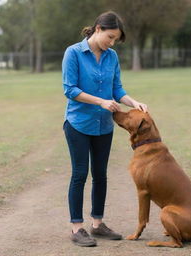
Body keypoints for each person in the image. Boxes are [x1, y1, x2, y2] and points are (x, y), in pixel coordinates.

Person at [62, 11, 147, 247]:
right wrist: (100, 101)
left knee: (100, 175)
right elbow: (70, 89)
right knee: (80, 174)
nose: (111, 43)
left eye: (115, 40)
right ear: (98, 29)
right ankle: (77, 228)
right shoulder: (74, 53)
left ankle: (97, 225)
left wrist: (133, 102)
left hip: (104, 126)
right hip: (78, 124)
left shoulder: (112, 57)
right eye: (109, 37)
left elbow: (117, 89)